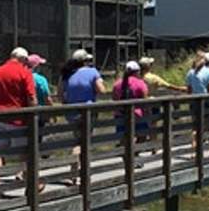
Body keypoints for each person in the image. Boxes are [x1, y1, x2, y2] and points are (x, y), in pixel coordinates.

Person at [0, 46, 38, 199]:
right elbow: (32, 98)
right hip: (18, 119)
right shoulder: (24, 72)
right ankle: (32, 187)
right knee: (25, 154)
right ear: (23, 59)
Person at [59, 49, 105, 185]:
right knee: (83, 143)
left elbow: (60, 94)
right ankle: (79, 172)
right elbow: (101, 90)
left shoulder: (66, 74)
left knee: (78, 139)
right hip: (87, 111)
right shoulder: (92, 72)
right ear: (85, 61)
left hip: (71, 112)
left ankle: (75, 172)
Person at [112, 61, 149, 168]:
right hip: (136, 115)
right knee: (141, 136)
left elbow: (114, 99)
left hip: (120, 114)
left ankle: (128, 160)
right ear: (137, 72)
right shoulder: (140, 83)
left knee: (124, 138)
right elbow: (145, 99)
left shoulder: (117, 83)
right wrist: (147, 114)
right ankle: (134, 156)